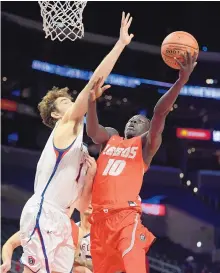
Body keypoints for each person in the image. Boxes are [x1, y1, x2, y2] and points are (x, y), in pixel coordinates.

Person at [18, 11, 134, 273]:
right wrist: (120, 45)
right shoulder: (64, 125)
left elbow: (83, 205)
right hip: (44, 211)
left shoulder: (80, 150)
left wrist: (93, 176)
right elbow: (94, 80)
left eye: (72, 100)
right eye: (65, 102)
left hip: (63, 218)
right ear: (56, 114)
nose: (72, 103)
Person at [86, 51, 197, 273]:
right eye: (131, 119)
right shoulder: (111, 137)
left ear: (147, 131)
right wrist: (91, 103)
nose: (133, 121)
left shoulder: (145, 148)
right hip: (98, 222)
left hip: (125, 218)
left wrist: (181, 81)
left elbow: (159, 113)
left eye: (139, 121)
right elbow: (92, 132)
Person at [1, 204, 93, 273]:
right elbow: (10, 243)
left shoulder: (76, 232)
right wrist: (7, 261)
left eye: (68, 207)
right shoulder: (40, 224)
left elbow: (72, 266)